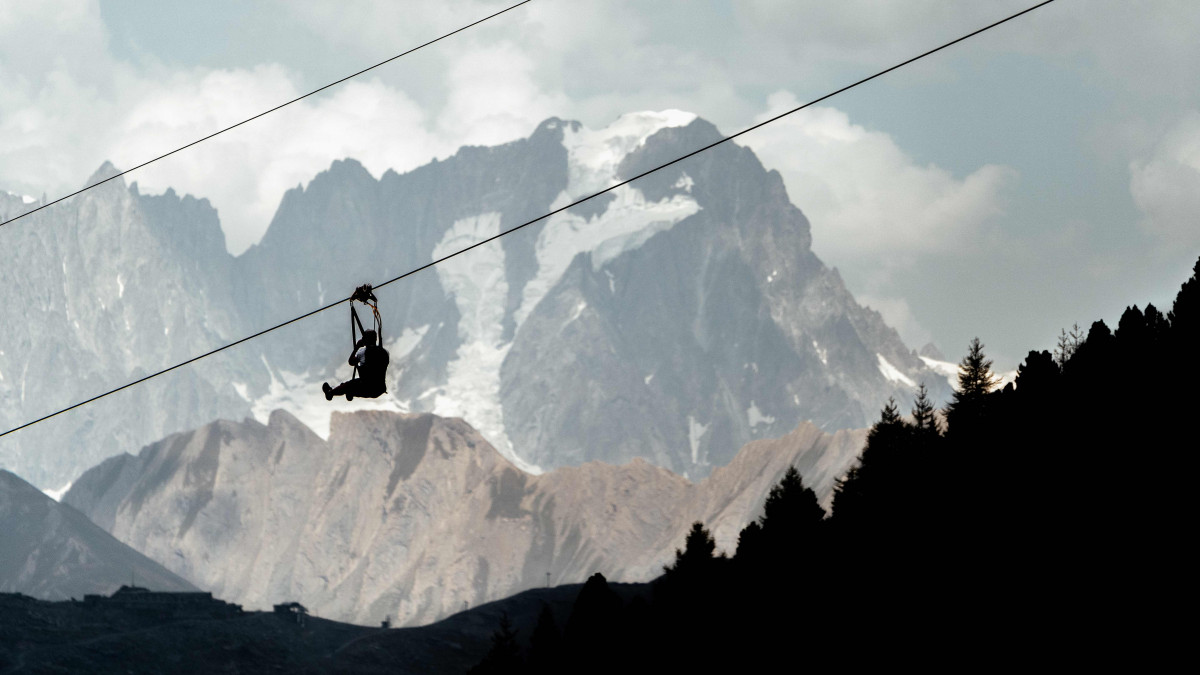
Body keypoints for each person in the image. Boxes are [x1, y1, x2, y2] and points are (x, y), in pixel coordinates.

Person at [323, 329, 389, 401]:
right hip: (379, 389)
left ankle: (331, 393)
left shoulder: (362, 352)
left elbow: (351, 362)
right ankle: (350, 392)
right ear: (376, 339)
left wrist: (357, 347)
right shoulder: (384, 352)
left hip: (367, 387)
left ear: (364, 340)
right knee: (352, 385)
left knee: (348, 385)